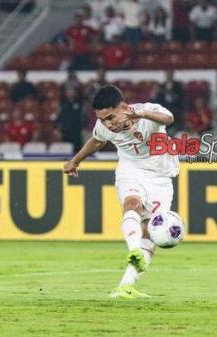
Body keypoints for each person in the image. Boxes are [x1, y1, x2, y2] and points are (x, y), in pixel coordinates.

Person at [63, 85, 178, 299]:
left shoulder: (146, 111)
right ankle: (134, 249)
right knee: (132, 203)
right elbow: (96, 140)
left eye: (110, 117)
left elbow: (168, 118)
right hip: (131, 169)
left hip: (160, 176)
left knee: (150, 231)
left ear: (124, 107)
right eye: (102, 119)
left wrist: (141, 113)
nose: (107, 124)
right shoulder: (104, 126)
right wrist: (75, 161)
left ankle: (126, 285)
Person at [56, 86, 85, 152]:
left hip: (77, 131)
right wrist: (57, 128)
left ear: (75, 92)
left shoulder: (80, 103)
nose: (70, 93)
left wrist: (83, 128)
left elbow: (83, 116)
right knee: (66, 150)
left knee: (77, 150)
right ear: (66, 93)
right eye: (68, 91)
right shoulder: (62, 103)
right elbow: (59, 117)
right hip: (65, 131)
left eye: (72, 91)